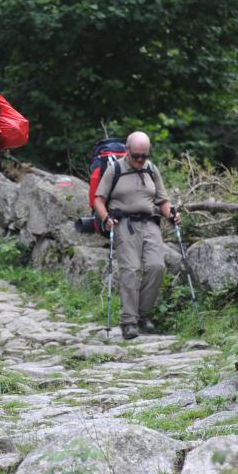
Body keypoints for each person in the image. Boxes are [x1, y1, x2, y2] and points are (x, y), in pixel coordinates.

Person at [91, 131, 179, 340]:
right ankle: (128, 321)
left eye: (144, 156)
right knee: (130, 270)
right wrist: (105, 218)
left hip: (150, 223)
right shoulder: (115, 170)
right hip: (124, 224)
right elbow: (98, 200)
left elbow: (162, 200)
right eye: (136, 155)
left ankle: (143, 315)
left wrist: (171, 213)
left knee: (156, 267)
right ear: (127, 151)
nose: (140, 160)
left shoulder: (151, 169)